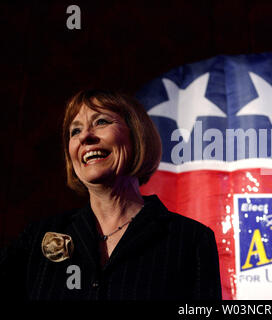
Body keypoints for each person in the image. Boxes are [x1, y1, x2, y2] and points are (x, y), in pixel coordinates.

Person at [0, 89, 222, 300]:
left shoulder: (190, 240)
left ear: (137, 136)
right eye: (75, 131)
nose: (85, 136)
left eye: (101, 122)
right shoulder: (35, 238)